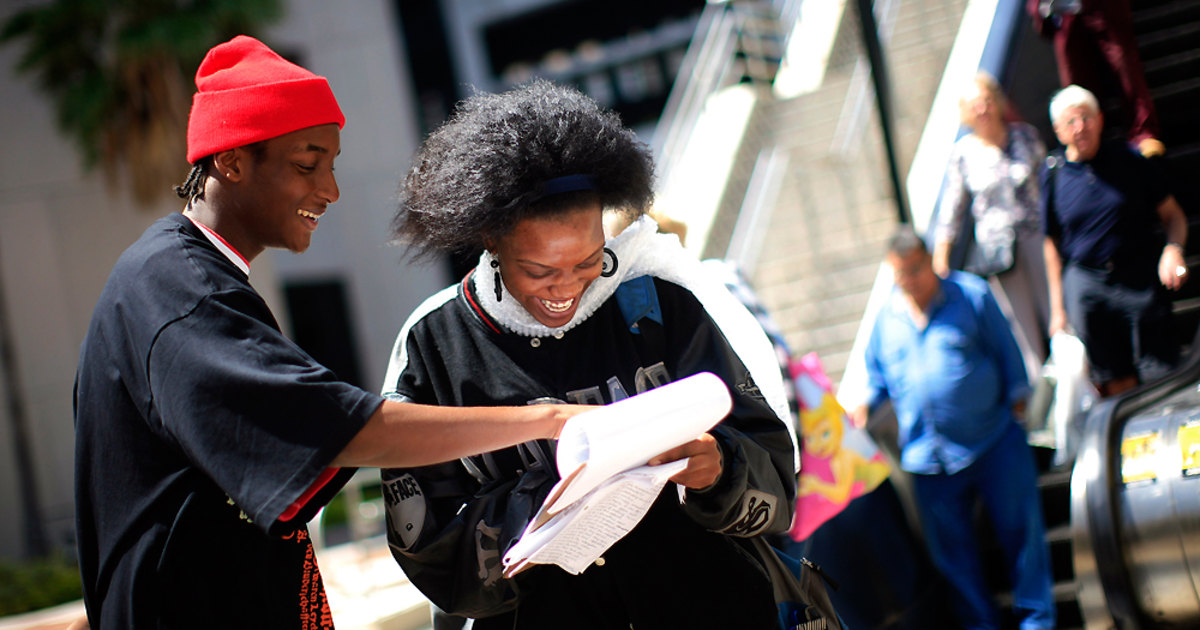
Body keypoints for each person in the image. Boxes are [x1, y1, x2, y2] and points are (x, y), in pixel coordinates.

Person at [72, 36, 583, 630]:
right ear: (231, 161)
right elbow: (348, 430)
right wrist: (551, 419)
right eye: (306, 164)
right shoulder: (181, 287)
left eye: (332, 166)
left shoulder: (179, 274)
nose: (330, 190)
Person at [378, 79, 798, 630]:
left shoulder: (657, 306)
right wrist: (549, 498)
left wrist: (719, 469)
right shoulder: (434, 345)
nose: (566, 289)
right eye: (540, 271)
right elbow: (425, 549)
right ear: (489, 239)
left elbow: (775, 483)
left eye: (587, 262)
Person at [853, 228, 1056, 630]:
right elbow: (876, 381)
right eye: (900, 275)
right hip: (929, 463)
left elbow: (1007, 351)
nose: (909, 281)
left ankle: (1037, 622)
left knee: (1023, 541)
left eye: (915, 270)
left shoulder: (971, 296)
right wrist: (861, 406)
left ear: (930, 262)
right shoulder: (885, 321)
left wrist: (1018, 397)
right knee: (955, 562)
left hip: (994, 443)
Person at [1040, 84, 1188, 397]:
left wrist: (1172, 251)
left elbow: (1174, 216)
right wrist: (1057, 308)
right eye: (1071, 122)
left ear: (1100, 119)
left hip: (1139, 277)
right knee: (1112, 380)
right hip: (1088, 286)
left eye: (1086, 118)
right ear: (1058, 130)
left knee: (1161, 372)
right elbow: (1051, 243)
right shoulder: (1053, 175)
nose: (1080, 128)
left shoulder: (1131, 161)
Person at [933, 71, 1051, 382]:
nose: (983, 109)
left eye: (986, 101)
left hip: (1037, 236)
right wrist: (941, 260)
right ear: (966, 112)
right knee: (1021, 329)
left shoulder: (1025, 136)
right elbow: (952, 210)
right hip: (999, 252)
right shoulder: (963, 153)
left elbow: (1049, 184)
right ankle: (1040, 396)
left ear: (997, 102)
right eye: (975, 105)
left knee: (1057, 313)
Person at [1027, 0, 1164, 157]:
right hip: (1064, 14)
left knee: (1124, 65)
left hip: (1102, 8)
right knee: (1076, 83)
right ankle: (1087, 146)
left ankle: (1143, 134)